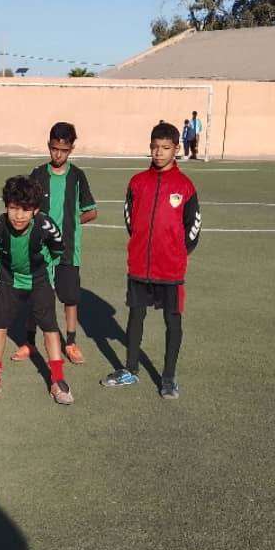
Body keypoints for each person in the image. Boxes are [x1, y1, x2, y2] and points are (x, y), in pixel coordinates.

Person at [101, 122, 201, 399]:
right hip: (139, 266)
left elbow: (193, 228)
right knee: (136, 315)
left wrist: (177, 253)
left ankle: (168, 378)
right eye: (155, 147)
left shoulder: (185, 186)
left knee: (173, 320)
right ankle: (130, 369)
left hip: (170, 268)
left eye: (165, 148)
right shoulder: (137, 182)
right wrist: (140, 245)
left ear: (176, 149)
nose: (159, 153)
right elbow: (130, 219)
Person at [0, 176, 74, 405]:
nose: (18, 215)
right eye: (13, 208)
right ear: (6, 206)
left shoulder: (45, 225)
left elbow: (57, 249)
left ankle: (58, 380)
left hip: (39, 280)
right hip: (8, 279)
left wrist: (39, 265)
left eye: (25, 209)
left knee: (49, 327)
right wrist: (8, 263)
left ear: (35, 210)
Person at [13, 122, 97, 364]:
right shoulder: (38, 175)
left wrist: (71, 223)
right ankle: (29, 342)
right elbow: (24, 207)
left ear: (71, 149)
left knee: (70, 298)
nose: (58, 154)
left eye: (64, 150)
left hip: (68, 250)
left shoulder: (77, 176)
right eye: (54, 149)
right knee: (35, 297)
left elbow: (91, 211)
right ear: (48, 146)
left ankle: (70, 343)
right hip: (40, 250)